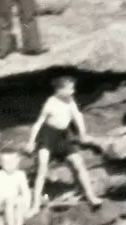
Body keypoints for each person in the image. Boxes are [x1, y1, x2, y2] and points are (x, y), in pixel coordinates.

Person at [26, 76, 103, 212]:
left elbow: (77, 116)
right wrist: (31, 142)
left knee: (78, 163)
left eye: (73, 88)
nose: (73, 91)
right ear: (59, 90)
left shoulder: (70, 100)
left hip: (63, 136)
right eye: (70, 89)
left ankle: (90, 195)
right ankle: (35, 205)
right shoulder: (50, 102)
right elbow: (38, 123)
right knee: (42, 168)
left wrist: (82, 133)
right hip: (47, 136)